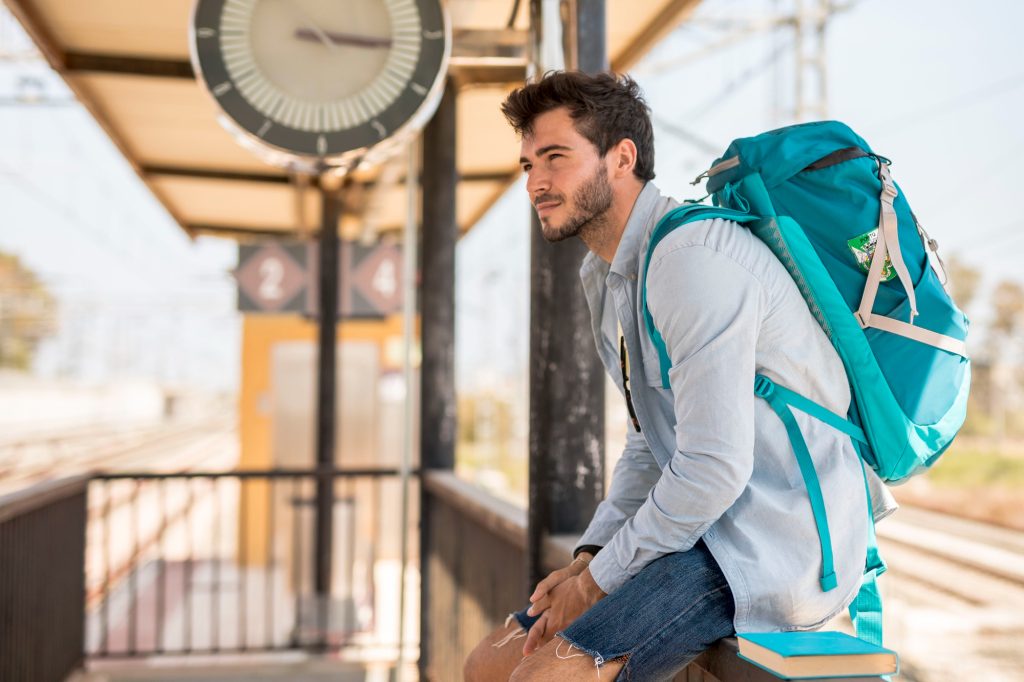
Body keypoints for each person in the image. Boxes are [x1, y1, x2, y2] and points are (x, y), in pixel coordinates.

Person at [463, 71, 895, 682]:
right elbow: (649, 442)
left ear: (622, 158)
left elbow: (713, 467)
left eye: (556, 157)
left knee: (544, 677)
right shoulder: (611, 275)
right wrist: (590, 556)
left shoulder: (691, 259)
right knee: (489, 663)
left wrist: (596, 583)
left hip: (772, 543)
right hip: (701, 530)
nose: (535, 181)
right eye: (529, 164)